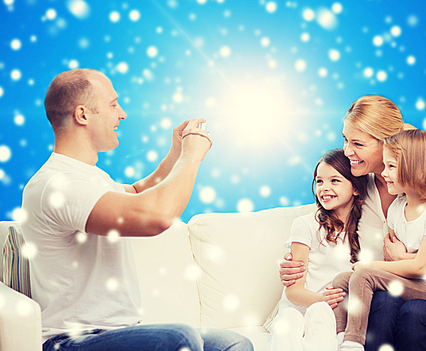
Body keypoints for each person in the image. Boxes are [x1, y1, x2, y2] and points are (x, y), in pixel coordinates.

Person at [21, 69, 253, 351]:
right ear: (82, 115)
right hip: (73, 342)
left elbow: (135, 194)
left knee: (233, 343)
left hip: (122, 332)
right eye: (113, 104)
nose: (122, 114)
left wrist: (176, 154)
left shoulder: (89, 177)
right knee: (181, 340)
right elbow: (154, 217)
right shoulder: (56, 185)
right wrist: (192, 157)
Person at [279, 95, 426, 351]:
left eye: (357, 143)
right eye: (345, 140)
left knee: (414, 311)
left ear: (388, 143)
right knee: (381, 302)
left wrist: (409, 258)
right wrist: (294, 265)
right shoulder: (358, 187)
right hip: (382, 305)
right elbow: (322, 223)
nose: (347, 151)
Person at [332, 129, 426, 351]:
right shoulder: (397, 208)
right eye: (384, 166)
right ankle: (338, 336)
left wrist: (370, 266)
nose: (383, 173)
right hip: (410, 285)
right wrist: (378, 266)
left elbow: (421, 265)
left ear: (415, 168)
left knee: (363, 274)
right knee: (342, 279)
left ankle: (353, 343)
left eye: (391, 166)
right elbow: (391, 261)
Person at [265, 149, 367, 351]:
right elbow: (293, 291)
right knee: (290, 318)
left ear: (356, 188)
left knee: (321, 315)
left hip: (330, 316)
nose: (324, 188)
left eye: (334, 181)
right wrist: (322, 299)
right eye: (319, 181)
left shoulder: (365, 229)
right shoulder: (306, 225)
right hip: (299, 308)